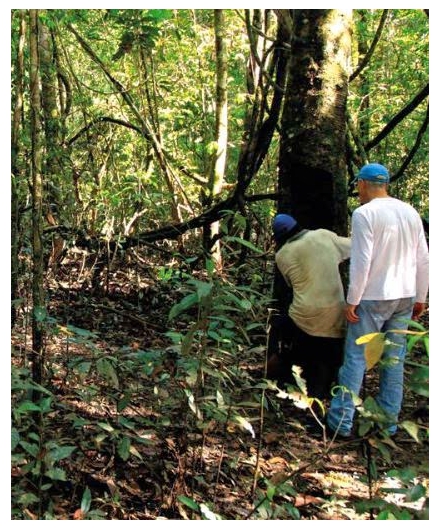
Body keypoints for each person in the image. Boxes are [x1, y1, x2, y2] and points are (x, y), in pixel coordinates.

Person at [326, 163, 429, 438]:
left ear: (361, 184)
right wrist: (421, 296)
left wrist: (352, 299)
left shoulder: (364, 214)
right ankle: (388, 424)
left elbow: (362, 261)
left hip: (373, 296)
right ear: (385, 184)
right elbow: (423, 257)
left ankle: (340, 423)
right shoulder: (409, 211)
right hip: (404, 296)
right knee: (394, 360)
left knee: (356, 359)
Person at [267, 214, 351, 399]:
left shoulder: (282, 255)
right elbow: (354, 247)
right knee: (330, 355)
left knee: (282, 330)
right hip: (337, 314)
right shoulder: (323, 236)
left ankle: (281, 370)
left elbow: (291, 284)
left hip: (304, 317)